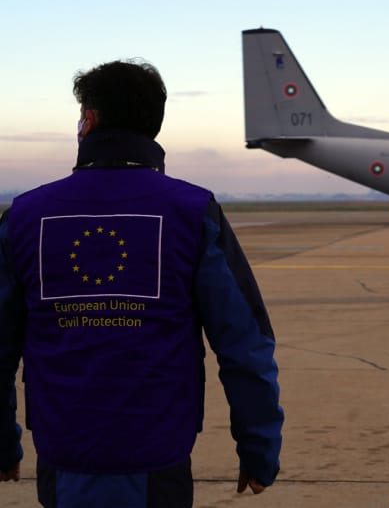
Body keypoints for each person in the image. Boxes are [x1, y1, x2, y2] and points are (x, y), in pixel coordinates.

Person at [0, 60, 283, 507]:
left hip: (63, 457)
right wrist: (259, 448)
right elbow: (244, 344)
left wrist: (2, 445)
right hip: (158, 460)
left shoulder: (24, 216)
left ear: (88, 120)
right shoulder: (193, 212)